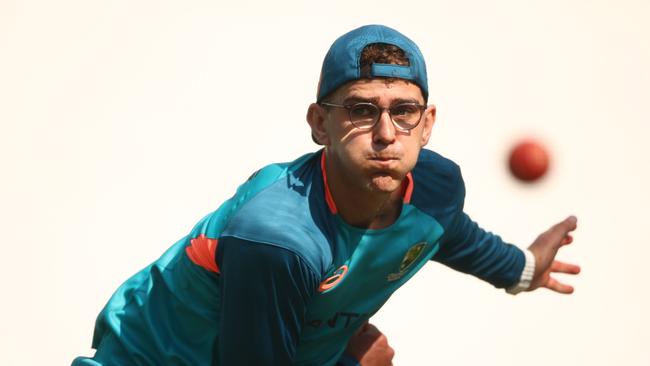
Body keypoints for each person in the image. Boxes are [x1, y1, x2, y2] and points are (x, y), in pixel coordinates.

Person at [73, 24, 580, 366]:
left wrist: (523, 268)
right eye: (361, 110)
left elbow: (445, 231)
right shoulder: (277, 240)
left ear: (427, 125)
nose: (386, 134)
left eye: (404, 111)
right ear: (320, 123)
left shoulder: (436, 185)